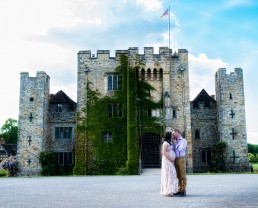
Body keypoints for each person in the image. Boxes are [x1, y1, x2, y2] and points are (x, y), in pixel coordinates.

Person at [160, 131, 178, 196]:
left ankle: (172, 190)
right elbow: (163, 152)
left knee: (172, 174)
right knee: (169, 174)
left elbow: (175, 145)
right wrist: (170, 159)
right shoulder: (165, 143)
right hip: (167, 160)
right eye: (171, 135)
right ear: (168, 136)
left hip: (171, 160)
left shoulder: (170, 142)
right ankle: (168, 191)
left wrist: (173, 139)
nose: (172, 136)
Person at [172, 129, 187, 197]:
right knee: (178, 176)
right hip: (176, 159)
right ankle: (179, 189)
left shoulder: (183, 141)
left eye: (173, 133)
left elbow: (181, 148)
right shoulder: (175, 141)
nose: (173, 135)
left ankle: (183, 190)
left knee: (182, 175)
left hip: (181, 159)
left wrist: (175, 144)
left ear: (177, 133)